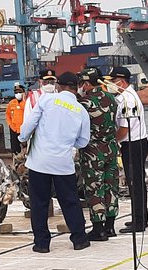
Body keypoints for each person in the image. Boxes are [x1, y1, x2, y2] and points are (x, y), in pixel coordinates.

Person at [18, 72, 91, 253]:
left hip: (39, 162)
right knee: (70, 201)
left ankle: (42, 243)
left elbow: (29, 124)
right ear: (76, 87)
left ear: (59, 85)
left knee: (39, 203)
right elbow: (83, 141)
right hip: (63, 164)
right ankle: (79, 239)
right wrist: (65, 143)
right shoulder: (81, 110)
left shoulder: (46, 100)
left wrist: (22, 137)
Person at [103, 67, 148, 233]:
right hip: (136, 143)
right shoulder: (128, 95)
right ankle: (140, 217)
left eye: (112, 81)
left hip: (133, 144)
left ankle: (139, 221)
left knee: (135, 184)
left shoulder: (126, 99)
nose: (110, 85)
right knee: (136, 183)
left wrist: (112, 141)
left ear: (120, 82)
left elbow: (124, 128)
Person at [77, 67, 119, 241]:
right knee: (111, 186)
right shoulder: (111, 99)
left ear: (86, 83)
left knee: (95, 188)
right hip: (110, 148)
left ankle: (98, 228)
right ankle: (110, 227)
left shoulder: (85, 103)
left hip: (92, 151)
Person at [6, 83, 26, 155]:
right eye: (16, 92)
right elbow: (8, 115)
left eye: (20, 92)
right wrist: (11, 125)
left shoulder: (27, 103)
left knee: (26, 149)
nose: (18, 94)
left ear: (23, 92)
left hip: (24, 130)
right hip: (14, 129)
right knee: (15, 150)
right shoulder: (11, 103)